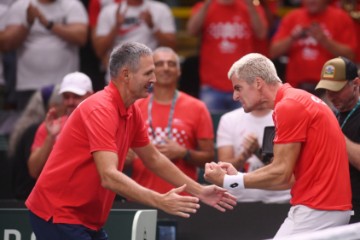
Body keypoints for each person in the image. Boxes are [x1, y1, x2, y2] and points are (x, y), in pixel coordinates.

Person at [25, 42, 236, 240]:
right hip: (58, 214)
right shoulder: (101, 109)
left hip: (83, 218)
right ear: (126, 75)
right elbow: (109, 176)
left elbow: (153, 158)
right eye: (148, 73)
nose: (154, 79)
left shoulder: (130, 108)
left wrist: (199, 190)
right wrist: (160, 200)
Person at [204, 53, 352, 238]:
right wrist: (240, 177)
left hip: (318, 209)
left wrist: (229, 181)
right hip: (325, 208)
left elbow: (281, 172)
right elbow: (288, 179)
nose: (234, 96)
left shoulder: (289, 106)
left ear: (258, 83)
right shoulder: (295, 101)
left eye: (238, 88)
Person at [129, 47, 214, 194]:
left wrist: (184, 153)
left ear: (179, 71)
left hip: (184, 198)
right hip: (142, 196)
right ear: (150, 72)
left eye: (171, 64)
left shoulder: (197, 107)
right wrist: (126, 157)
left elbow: (209, 157)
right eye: (159, 64)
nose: (166, 68)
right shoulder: (134, 106)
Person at [2, 0, 88, 109]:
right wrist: (27, 23)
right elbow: (6, 44)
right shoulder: (21, 6)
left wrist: (48, 24)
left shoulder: (72, 4)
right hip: (28, 84)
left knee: (64, 124)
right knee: (28, 125)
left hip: (64, 86)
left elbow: (81, 38)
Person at [186, 0, 268, 114]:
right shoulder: (204, 6)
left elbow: (261, 33)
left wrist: (250, 6)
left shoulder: (250, 6)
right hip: (212, 85)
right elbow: (191, 30)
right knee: (210, 129)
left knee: (244, 129)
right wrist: (207, 4)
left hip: (244, 84)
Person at [269, 0, 357, 94]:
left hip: (331, 89)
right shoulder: (292, 17)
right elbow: (273, 52)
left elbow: (350, 55)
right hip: (296, 88)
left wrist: (324, 40)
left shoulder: (341, 17)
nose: (311, 1)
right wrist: (292, 38)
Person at [315, 57, 360, 223]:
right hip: (334, 208)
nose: (331, 96)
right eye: (327, 89)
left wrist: (334, 132)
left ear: (355, 83)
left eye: (337, 89)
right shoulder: (334, 117)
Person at [28, 72, 94, 179]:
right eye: (66, 97)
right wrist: (50, 137)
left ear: (91, 95)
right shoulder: (50, 127)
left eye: (77, 96)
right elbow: (33, 171)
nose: (70, 102)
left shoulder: (102, 125)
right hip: (55, 193)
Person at [216, 107, 290, 203]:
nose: (235, 96)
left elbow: (285, 169)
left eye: (238, 90)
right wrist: (244, 156)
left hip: (280, 199)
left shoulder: (286, 117)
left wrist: (258, 151)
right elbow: (224, 167)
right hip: (239, 199)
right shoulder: (229, 119)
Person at [93, 0, 176, 82]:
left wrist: (153, 27)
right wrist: (116, 27)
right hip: (119, 76)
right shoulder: (109, 11)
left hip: (151, 77)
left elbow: (172, 46)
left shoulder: (161, 9)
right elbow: (99, 50)